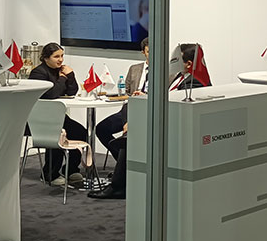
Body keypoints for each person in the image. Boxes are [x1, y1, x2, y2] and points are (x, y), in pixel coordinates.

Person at [90, 43, 210, 200]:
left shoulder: (193, 82)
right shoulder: (180, 77)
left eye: (177, 58)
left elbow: (174, 104)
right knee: (126, 111)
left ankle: (118, 186)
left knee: (130, 140)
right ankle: (122, 176)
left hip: (169, 126)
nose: (172, 61)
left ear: (188, 63)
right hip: (148, 113)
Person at [27, 43, 87, 187]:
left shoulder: (61, 71)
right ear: (46, 58)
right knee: (57, 135)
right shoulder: (38, 73)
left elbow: (72, 91)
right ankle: (50, 173)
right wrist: (63, 79)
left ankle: (71, 169)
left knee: (80, 132)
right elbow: (51, 94)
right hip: (40, 117)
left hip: (57, 115)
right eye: (56, 57)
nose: (60, 60)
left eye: (62, 56)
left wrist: (70, 75)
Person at [95, 38, 148, 152]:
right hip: (129, 109)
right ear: (143, 52)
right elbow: (126, 91)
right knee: (101, 129)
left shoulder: (165, 71)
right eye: (149, 52)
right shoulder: (134, 69)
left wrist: (144, 95)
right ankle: (121, 157)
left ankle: (127, 130)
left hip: (147, 111)